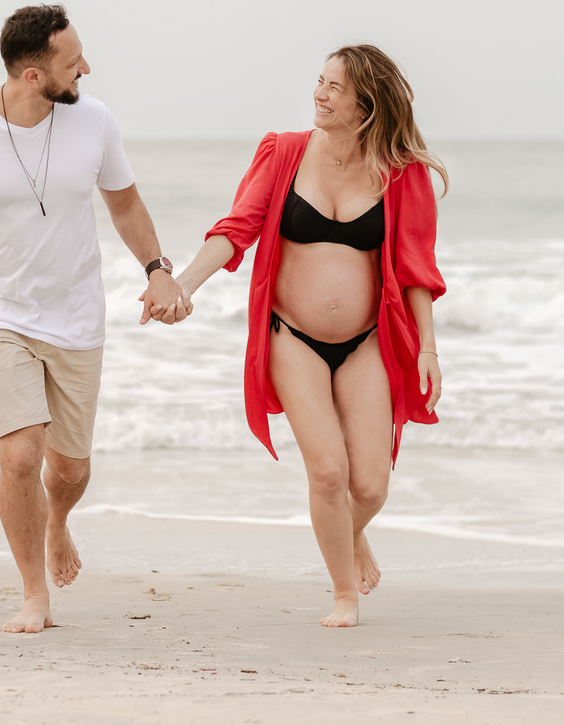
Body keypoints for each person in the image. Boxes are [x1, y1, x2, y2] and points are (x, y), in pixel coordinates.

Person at [0, 4, 189, 634]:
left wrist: (157, 268)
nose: (86, 67)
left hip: (78, 314)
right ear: (32, 75)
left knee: (71, 469)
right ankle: (34, 594)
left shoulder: (95, 121)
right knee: (22, 457)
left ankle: (57, 520)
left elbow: (126, 203)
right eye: (71, 61)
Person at [170, 45, 446, 627]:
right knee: (328, 473)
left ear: (365, 103)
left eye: (334, 87)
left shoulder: (402, 173)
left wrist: (428, 349)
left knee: (369, 487)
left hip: (366, 341)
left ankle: (350, 531)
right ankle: (344, 593)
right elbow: (237, 228)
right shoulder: (286, 152)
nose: (319, 94)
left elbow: (418, 267)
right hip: (291, 336)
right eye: (318, 81)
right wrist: (183, 283)